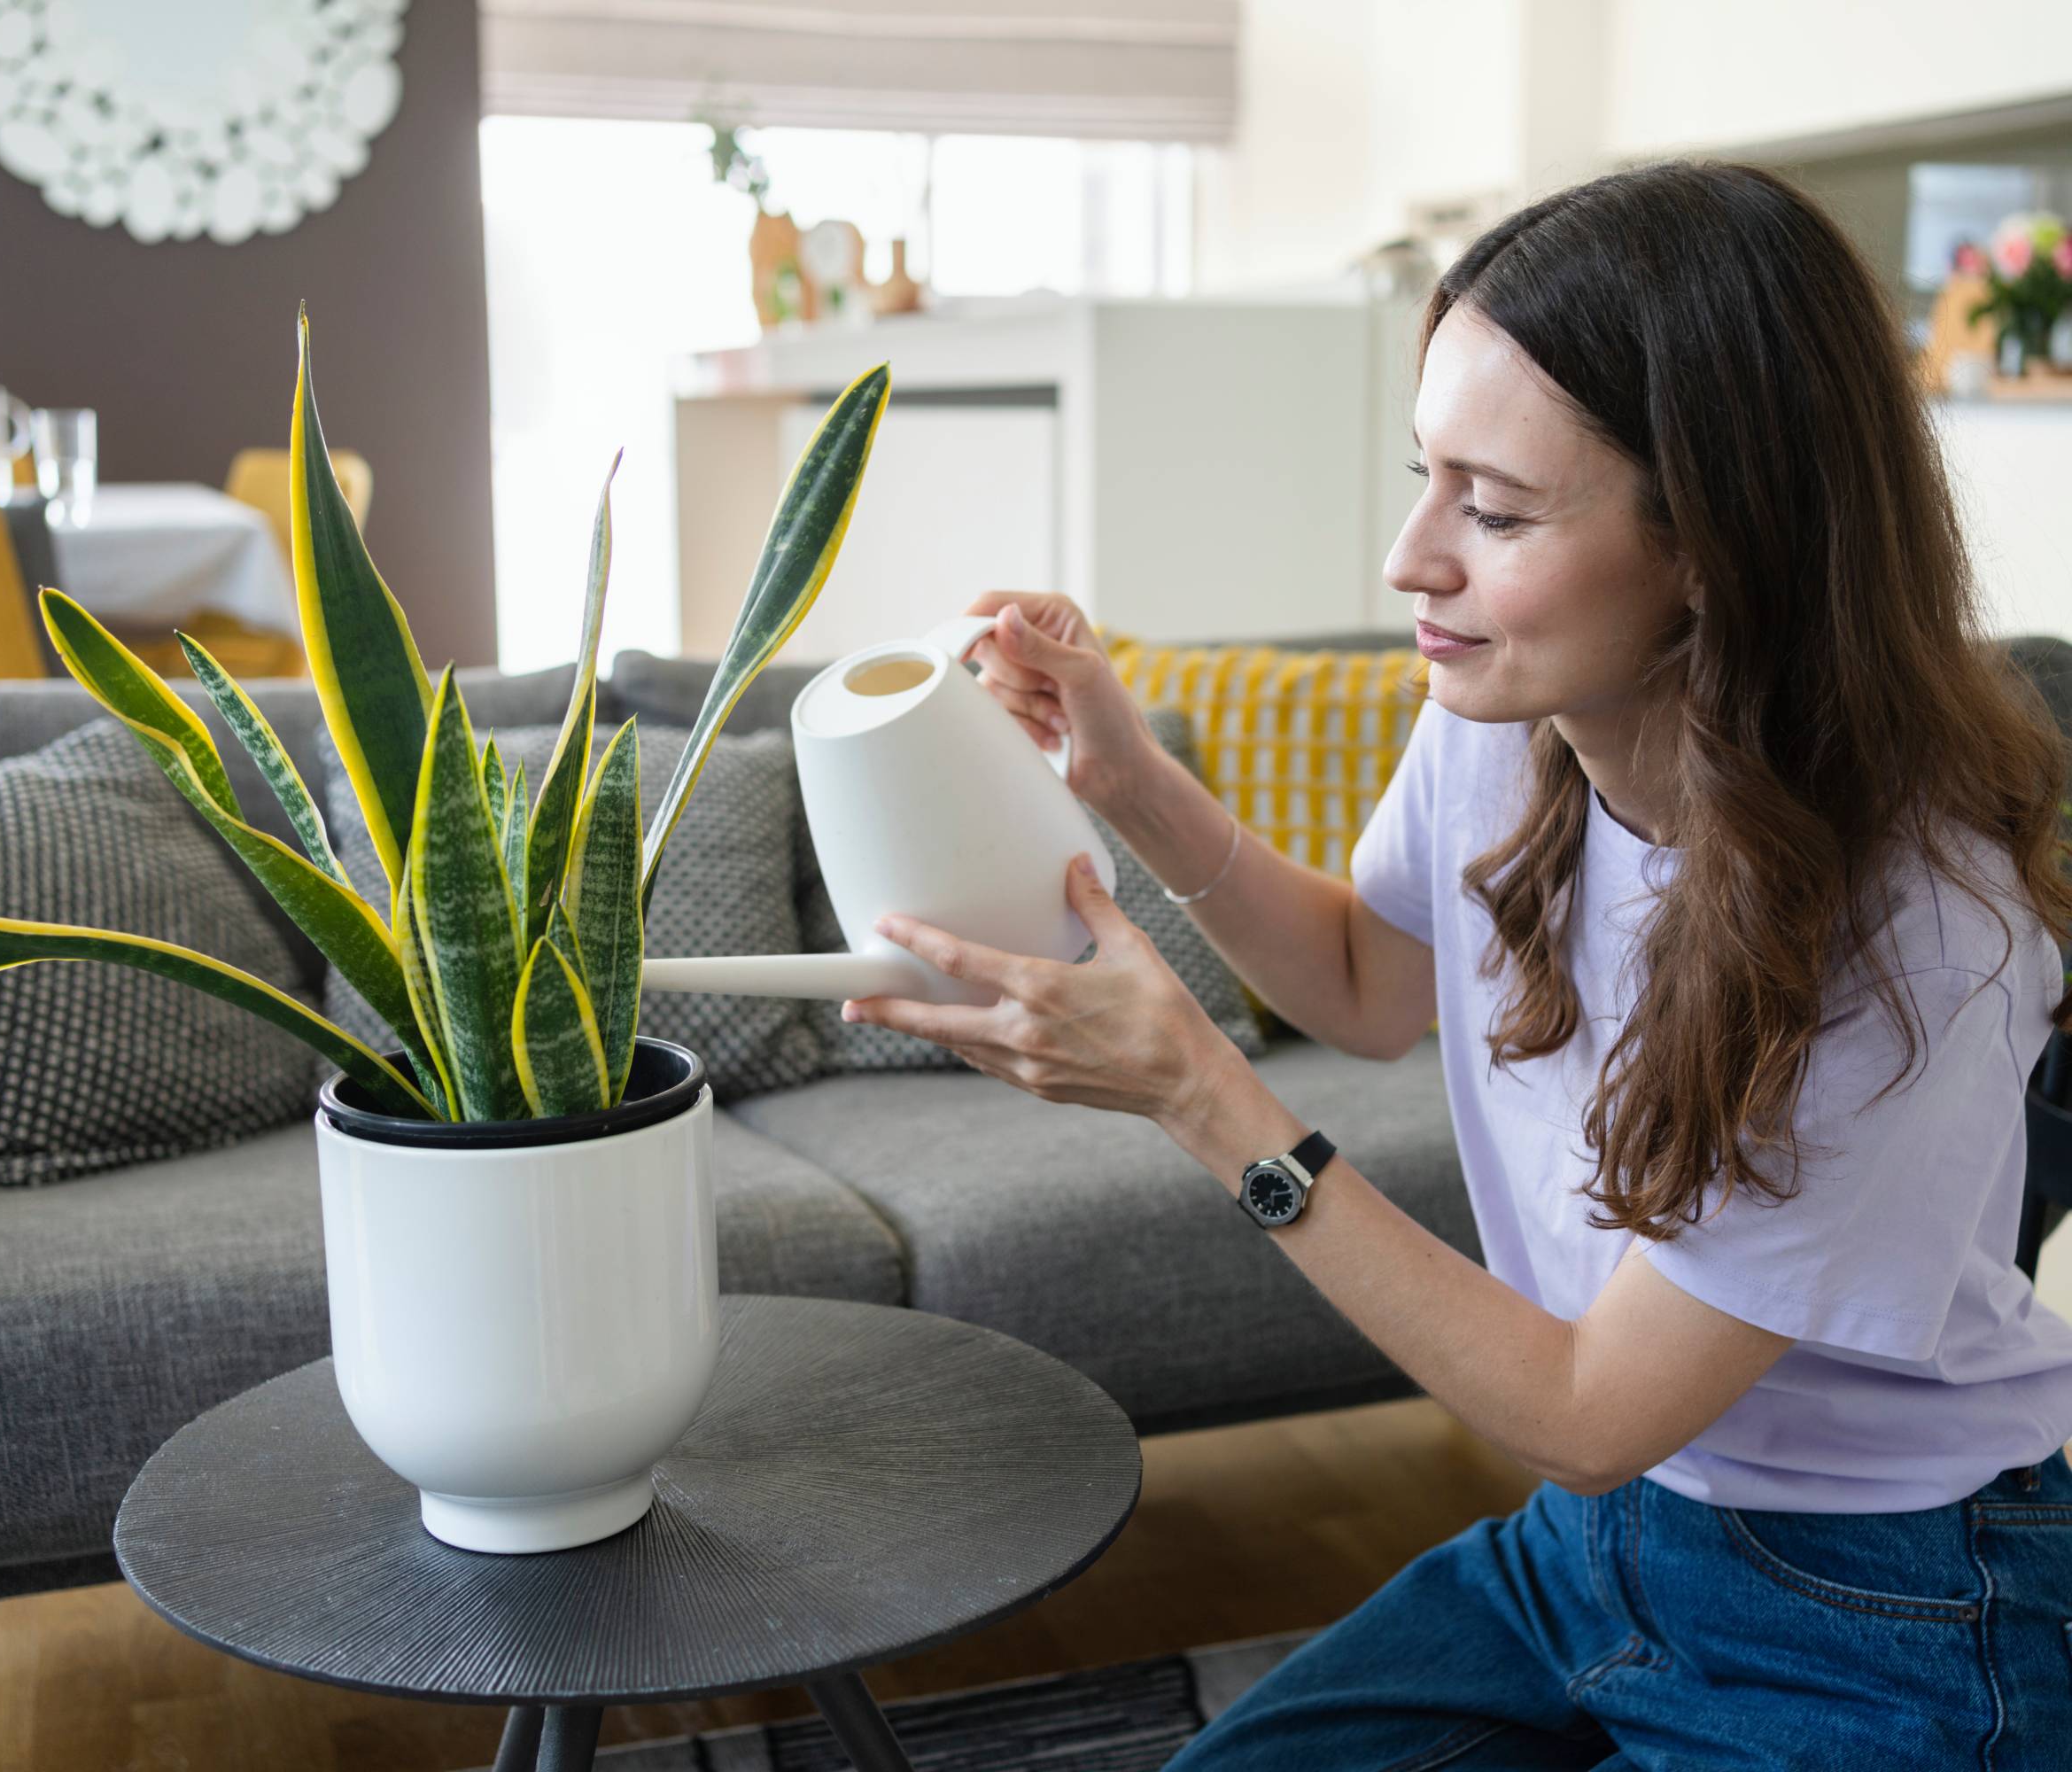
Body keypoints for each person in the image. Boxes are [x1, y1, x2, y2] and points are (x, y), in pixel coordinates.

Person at [837, 161, 2072, 1768]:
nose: (1412, 558)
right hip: (1596, 1548)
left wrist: (1201, 1099)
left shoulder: (1919, 928)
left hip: (1890, 1608)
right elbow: (1362, 984)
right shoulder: (1509, 724)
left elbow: (1588, 1403)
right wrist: (1126, 775)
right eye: (1426, 477)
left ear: (1714, 543)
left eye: (1492, 509)